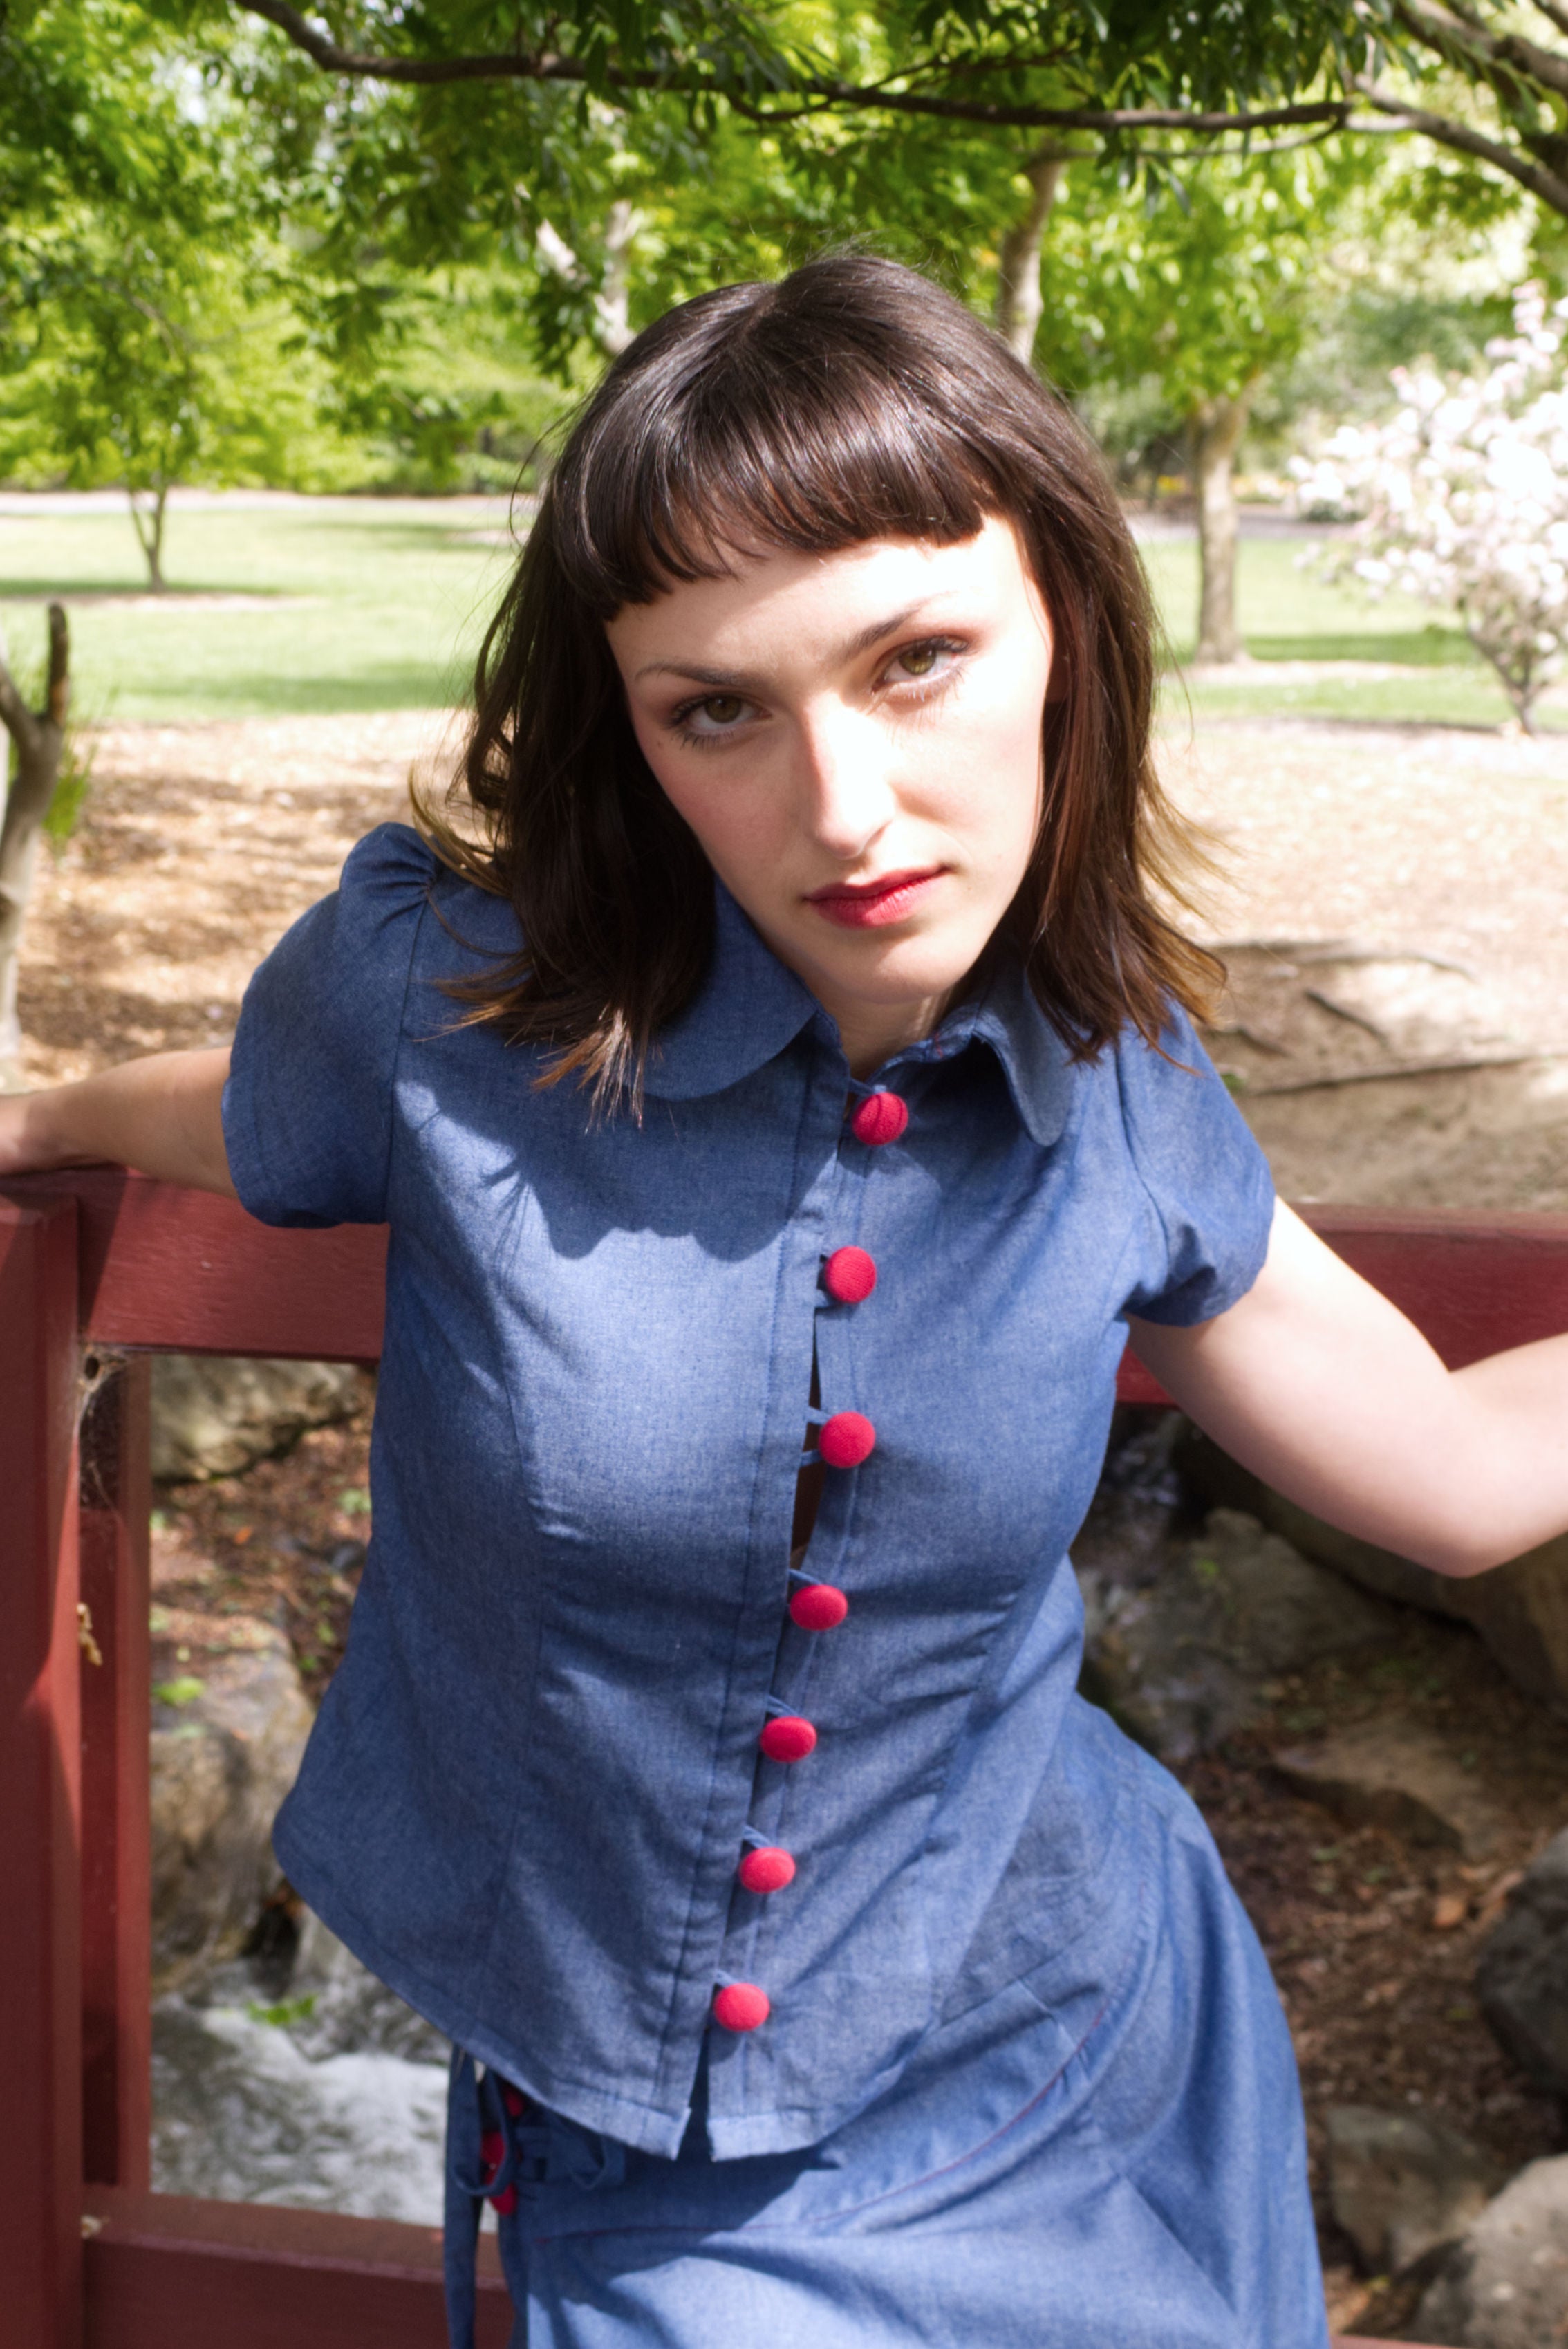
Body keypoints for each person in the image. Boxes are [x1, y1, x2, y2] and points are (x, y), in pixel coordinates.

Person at [1, 252, 1564, 2349]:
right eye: (716, 708)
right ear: (633, 732)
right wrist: (34, 1116)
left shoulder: (1114, 1092)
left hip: (1071, 2036)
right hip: (635, 2144)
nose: (838, 808)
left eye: (913, 660)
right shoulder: (447, 1012)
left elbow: (1449, 1469)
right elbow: (239, 1109)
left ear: (1064, 639)